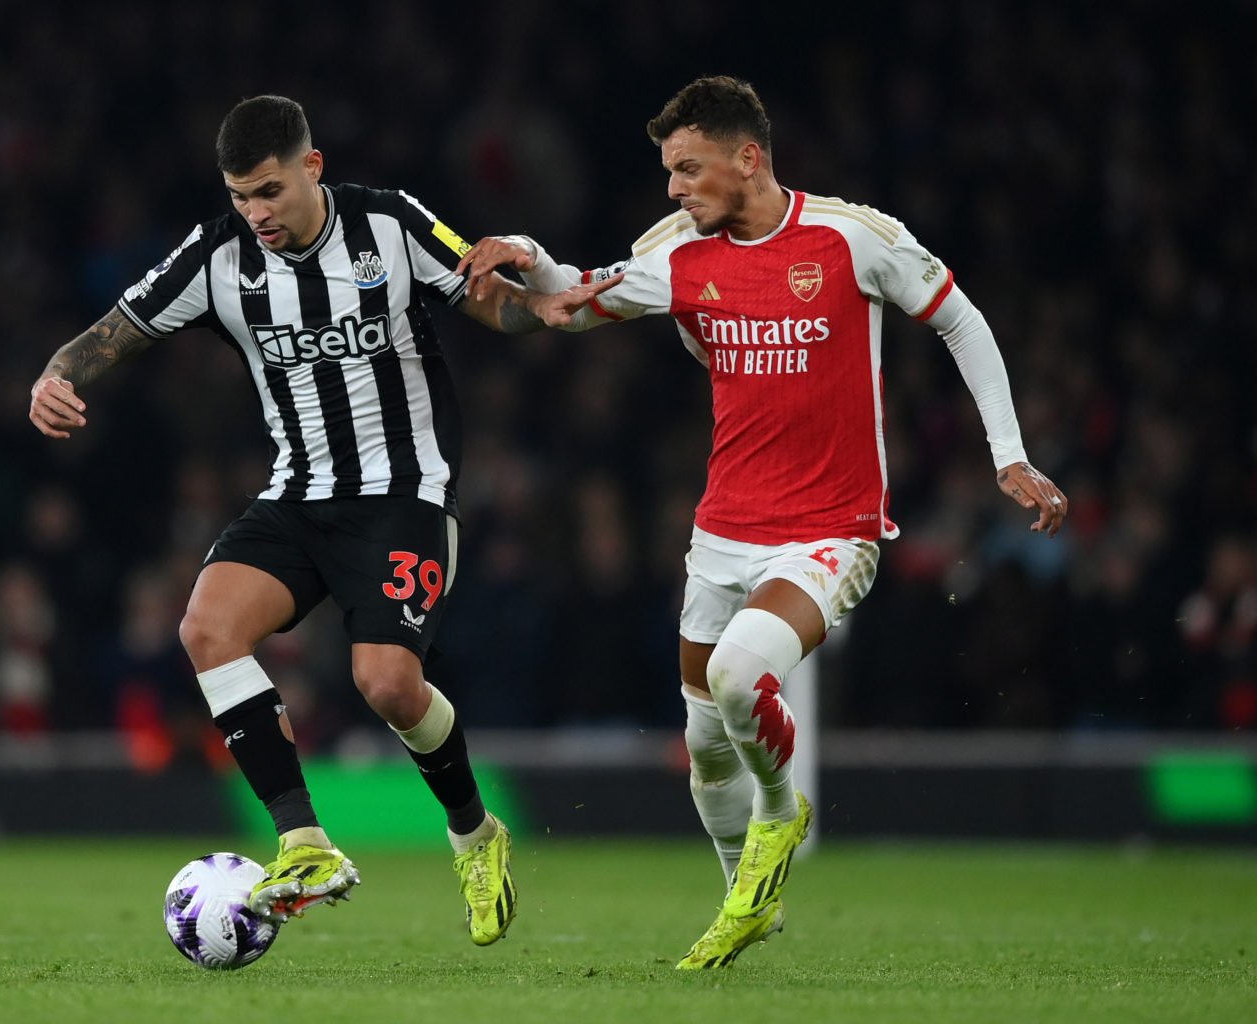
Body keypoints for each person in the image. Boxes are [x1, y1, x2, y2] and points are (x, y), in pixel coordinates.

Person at [456, 75, 1069, 968]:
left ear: (748, 158)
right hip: (724, 531)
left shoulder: (851, 238)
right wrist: (527, 252)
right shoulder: (677, 251)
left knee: (744, 678)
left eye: (688, 169)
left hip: (833, 525)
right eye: (669, 172)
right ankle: (749, 897)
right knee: (705, 746)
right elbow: (574, 299)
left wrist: (1007, 453)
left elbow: (962, 321)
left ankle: (782, 814)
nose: (674, 188)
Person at [28, 94, 612, 945]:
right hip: (299, 494)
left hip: (407, 494)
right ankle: (304, 844)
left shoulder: (391, 225)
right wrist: (56, 372)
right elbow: (119, 330)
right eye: (238, 197)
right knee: (206, 628)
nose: (254, 214)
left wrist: (540, 308)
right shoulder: (219, 256)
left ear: (313, 167)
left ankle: (476, 833)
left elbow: (489, 301)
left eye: (268, 191)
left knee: (387, 684)